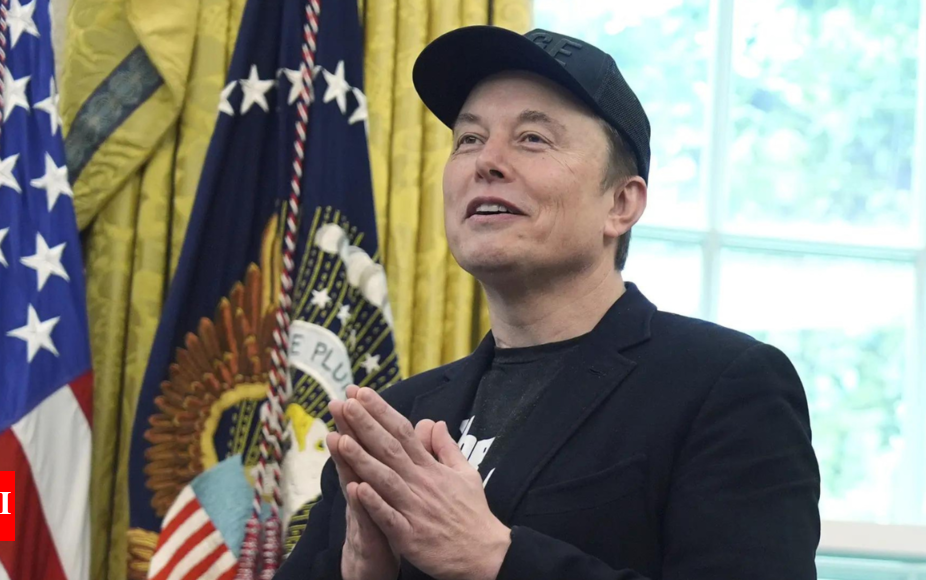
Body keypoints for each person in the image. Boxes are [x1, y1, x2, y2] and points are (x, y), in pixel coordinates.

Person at [277, 26, 821, 580]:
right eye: (469, 139)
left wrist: (496, 558)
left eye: (533, 138)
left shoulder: (724, 387)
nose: (486, 161)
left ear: (621, 203)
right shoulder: (397, 417)